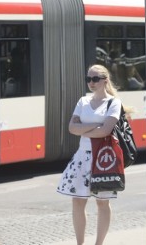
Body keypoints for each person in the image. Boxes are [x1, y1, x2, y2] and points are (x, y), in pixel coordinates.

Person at [56, 64, 121, 245]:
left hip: (103, 159)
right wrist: (96, 127)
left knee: (102, 202)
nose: (91, 83)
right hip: (82, 157)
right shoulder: (83, 101)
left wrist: (83, 130)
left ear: (105, 80)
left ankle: (98, 243)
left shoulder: (113, 103)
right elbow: (71, 128)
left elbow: (106, 131)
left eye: (95, 79)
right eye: (89, 79)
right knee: (77, 201)